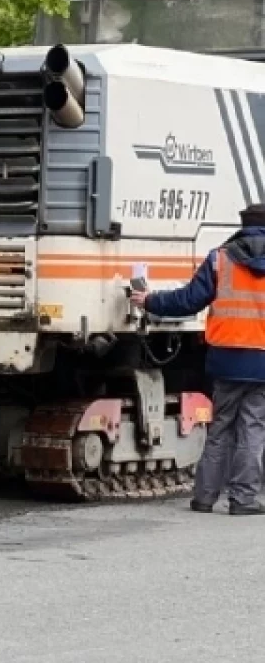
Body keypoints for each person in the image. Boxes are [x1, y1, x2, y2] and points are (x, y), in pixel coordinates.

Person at [130, 203, 265, 516]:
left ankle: (204, 498)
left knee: (220, 429)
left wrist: (150, 300)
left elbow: (189, 300)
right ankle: (243, 500)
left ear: (243, 225)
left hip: (226, 359)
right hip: (262, 362)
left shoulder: (220, 258)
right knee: (253, 430)